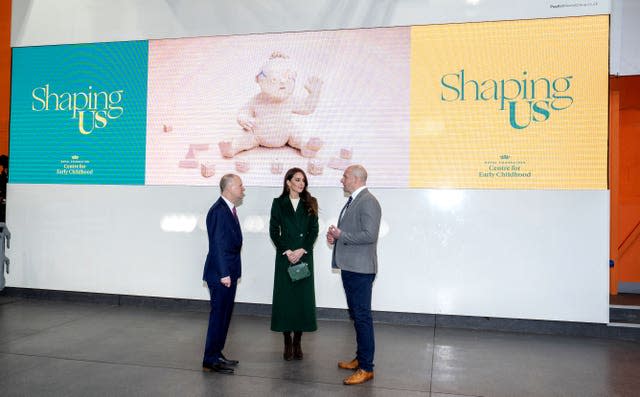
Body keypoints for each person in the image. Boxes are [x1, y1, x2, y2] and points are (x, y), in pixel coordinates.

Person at [327, 164, 381, 385]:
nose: (342, 180)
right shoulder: (355, 200)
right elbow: (353, 233)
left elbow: (370, 234)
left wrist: (342, 234)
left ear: (357, 179)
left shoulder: (368, 201)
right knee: (358, 317)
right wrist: (336, 237)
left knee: (362, 318)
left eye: (345, 176)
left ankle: (366, 368)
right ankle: (360, 359)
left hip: (360, 270)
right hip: (351, 268)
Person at [269, 167, 319, 360]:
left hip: (304, 256)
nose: (301, 184)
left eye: (303, 181)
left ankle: (297, 341)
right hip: (285, 257)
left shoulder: (310, 203)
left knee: (301, 301)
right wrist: (288, 251)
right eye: (297, 180)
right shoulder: (278, 203)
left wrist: (302, 249)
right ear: (288, 182)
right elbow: (274, 230)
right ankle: (286, 341)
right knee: (286, 301)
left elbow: (313, 231)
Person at [202, 174, 245, 374]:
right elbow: (217, 245)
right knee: (218, 316)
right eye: (239, 185)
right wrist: (224, 273)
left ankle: (217, 354)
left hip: (228, 272)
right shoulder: (219, 211)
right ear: (228, 188)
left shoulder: (228, 209)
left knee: (225, 316)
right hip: (222, 275)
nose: (243, 188)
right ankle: (210, 359)